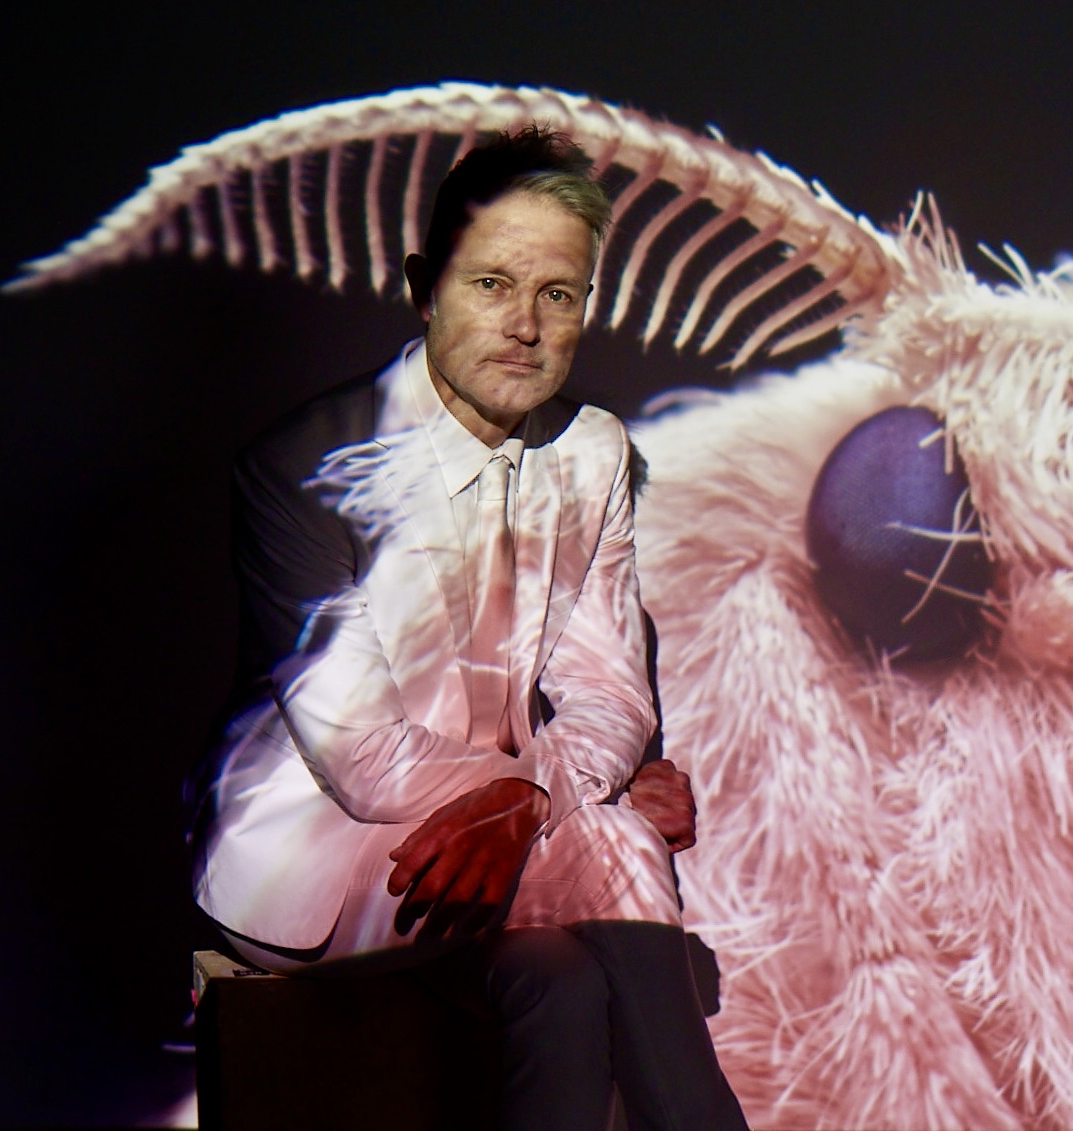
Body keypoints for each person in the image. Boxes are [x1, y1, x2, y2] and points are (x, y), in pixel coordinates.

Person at [189, 125, 747, 1130]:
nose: (526, 326)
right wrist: (559, 798)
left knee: (564, 986)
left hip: (508, 844)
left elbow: (612, 693)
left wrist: (530, 802)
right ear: (423, 286)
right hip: (328, 854)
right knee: (621, 838)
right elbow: (356, 752)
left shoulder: (594, 454)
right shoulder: (307, 465)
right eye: (492, 284)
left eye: (558, 294)